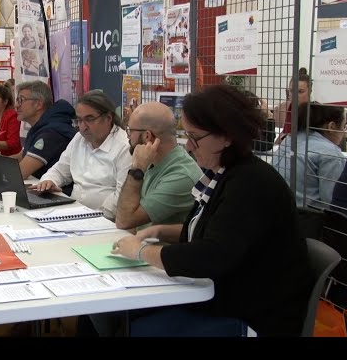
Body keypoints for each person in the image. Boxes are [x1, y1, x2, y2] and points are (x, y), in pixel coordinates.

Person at [108, 84, 312, 336]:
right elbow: (216, 232)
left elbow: (210, 255)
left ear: (227, 136)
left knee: (133, 327)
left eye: (194, 137)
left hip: (252, 316)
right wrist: (160, 231)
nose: (189, 146)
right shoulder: (224, 173)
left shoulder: (251, 185)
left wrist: (141, 251)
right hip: (221, 297)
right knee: (113, 316)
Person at [34, 90, 132, 220]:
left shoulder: (124, 147)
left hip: (106, 221)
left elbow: (121, 197)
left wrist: (92, 217)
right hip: (74, 214)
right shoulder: (79, 139)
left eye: (89, 119)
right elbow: (59, 170)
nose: (83, 127)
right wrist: (49, 181)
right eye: (79, 120)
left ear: (108, 118)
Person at [115, 102, 201, 231]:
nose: (128, 136)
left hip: (161, 248)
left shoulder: (181, 175)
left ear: (147, 136)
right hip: (142, 245)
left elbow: (124, 221)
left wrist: (136, 170)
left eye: (130, 130)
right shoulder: (152, 161)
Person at [0, 80, 75, 181]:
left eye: (21, 100)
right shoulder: (41, 127)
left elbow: (21, 173)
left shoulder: (51, 133)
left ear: (38, 104)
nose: (16, 105)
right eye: (17, 100)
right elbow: (21, 156)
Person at [273, 102, 346, 208]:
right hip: (307, 218)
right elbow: (331, 200)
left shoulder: (289, 140)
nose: (344, 132)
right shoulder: (331, 153)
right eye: (344, 127)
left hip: (277, 209)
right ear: (331, 126)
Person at [273, 69, 311, 143]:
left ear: (310, 91)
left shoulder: (317, 112)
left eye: (300, 92)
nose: (294, 95)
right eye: (291, 91)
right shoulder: (280, 109)